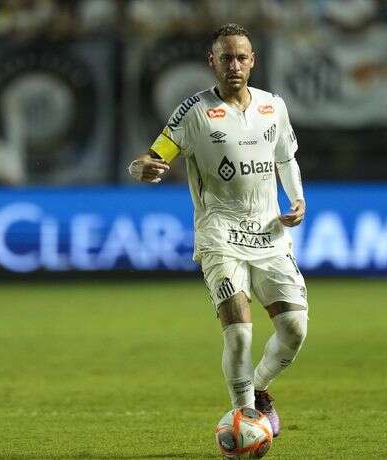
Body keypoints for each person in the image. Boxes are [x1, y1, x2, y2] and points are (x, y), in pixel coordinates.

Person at [127, 23, 308, 438]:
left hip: (269, 235)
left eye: (242, 57)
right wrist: (141, 168)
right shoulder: (193, 112)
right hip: (220, 236)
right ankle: (245, 417)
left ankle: (259, 389)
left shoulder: (273, 106)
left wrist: (296, 200)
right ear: (212, 61)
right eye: (226, 57)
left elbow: (286, 158)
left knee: (295, 330)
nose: (234, 65)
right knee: (240, 333)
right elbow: (155, 157)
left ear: (253, 61)